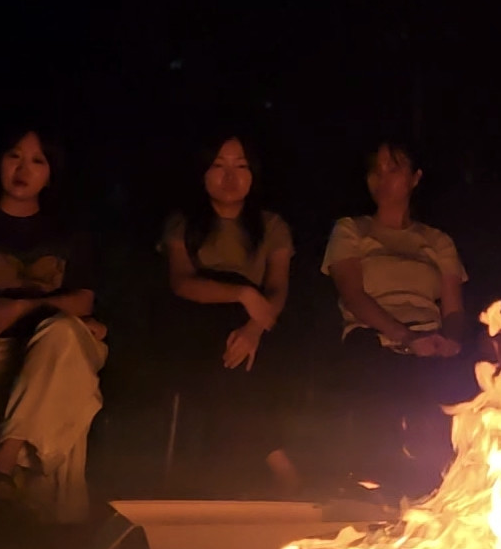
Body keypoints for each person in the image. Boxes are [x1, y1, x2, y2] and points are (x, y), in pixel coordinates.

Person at [0, 125, 105, 520]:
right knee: (71, 378)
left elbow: (83, 299)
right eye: (14, 156)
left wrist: (18, 308)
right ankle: (59, 521)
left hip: (61, 341)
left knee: (62, 342)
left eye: (37, 161)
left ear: (50, 172)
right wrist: (59, 310)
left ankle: (3, 463)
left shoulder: (69, 232)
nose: (23, 169)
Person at [322, 139, 469, 497]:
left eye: (393, 169)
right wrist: (405, 337)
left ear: (415, 177)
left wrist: (449, 341)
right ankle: (374, 483)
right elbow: (353, 295)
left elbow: (453, 310)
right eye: (375, 170)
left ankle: (441, 489)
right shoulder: (351, 230)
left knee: (457, 384)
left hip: (428, 339)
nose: (382, 178)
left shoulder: (437, 241)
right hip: (372, 335)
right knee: (378, 378)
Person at [160, 132, 297, 494]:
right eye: (219, 166)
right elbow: (182, 282)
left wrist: (254, 328)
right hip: (197, 318)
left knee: (245, 349)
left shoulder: (272, 226)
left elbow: (278, 289)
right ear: (203, 171)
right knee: (223, 339)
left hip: (255, 323)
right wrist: (241, 293)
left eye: (241, 166)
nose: (230, 176)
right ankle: (275, 459)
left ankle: (236, 471)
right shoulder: (183, 223)